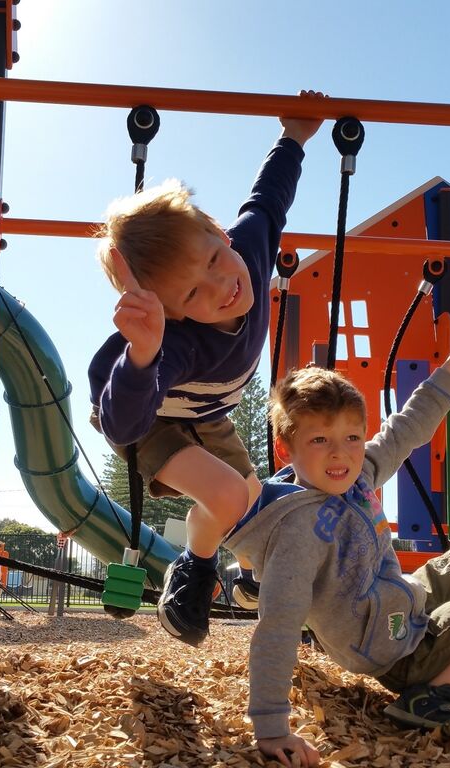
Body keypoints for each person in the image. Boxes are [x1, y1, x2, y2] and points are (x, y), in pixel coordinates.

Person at [225, 299, 450, 767]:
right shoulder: (297, 530)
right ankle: (434, 694)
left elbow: (415, 418)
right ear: (285, 447)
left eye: (352, 438)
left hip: (399, 607)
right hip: (395, 649)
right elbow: (275, 628)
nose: (341, 455)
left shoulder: (358, 476)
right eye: (319, 440)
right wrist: (272, 727)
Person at [88, 93, 325, 646]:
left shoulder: (250, 249)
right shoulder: (177, 343)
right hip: (144, 412)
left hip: (209, 414)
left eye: (216, 259)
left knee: (251, 504)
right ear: (171, 311)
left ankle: (251, 580)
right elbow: (122, 428)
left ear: (219, 232)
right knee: (225, 496)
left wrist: (293, 136)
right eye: (194, 292)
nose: (223, 286)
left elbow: (267, 201)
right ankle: (191, 573)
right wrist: (143, 353)